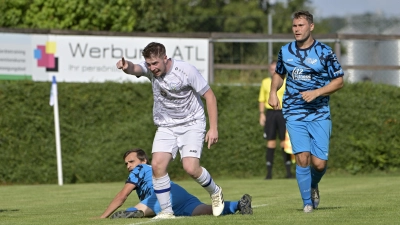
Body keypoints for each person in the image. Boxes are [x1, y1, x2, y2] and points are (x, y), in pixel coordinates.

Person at [115, 42, 224, 219]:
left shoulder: (187, 70)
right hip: (166, 125)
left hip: (192, 123)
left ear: (165, 58)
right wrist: (126, 66)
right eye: (149, 64)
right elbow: (135, 68)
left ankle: (215, 191)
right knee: (157, 165)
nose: (152, 68)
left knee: (190, 168)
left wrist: (213, 128)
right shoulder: (149, 69)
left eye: (155, 63)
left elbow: (209, 96)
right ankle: (167, 212)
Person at [268, 10, 344, 213]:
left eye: (301, 25)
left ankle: (312, 184)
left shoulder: (324, 52)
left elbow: (339, 81)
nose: (296, 29)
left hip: (319, 112)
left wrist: (317, 92)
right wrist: (273, 92)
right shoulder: (285, 51)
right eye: (294, 26)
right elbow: (279, 74)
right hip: (294, 111)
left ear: (311, 27)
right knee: (302, 157)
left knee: (319, 164)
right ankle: (307, 203)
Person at [100, 149, 253, 219]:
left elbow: (122, 195)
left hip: (162, 195)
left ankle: (134, 212)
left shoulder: (140, 169)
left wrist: (103, 217)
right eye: (126, 164)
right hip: (178, 192)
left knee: (132, 212)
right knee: (207, 210)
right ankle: (239, 205)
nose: (128, 166)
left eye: (131, 161)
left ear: (143, 161)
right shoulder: (147, 169)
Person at [258, 60, 293, 180]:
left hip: (284, 112)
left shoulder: (286, 81)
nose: (274, 71)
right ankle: (269, 173)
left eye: (276, 69)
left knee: (285, 141)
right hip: (271, 113)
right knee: (271, 141)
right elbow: (262, 99)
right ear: (269, 70)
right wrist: (262, 114)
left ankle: (288, 173)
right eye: (272, 69)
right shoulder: (265, 82)